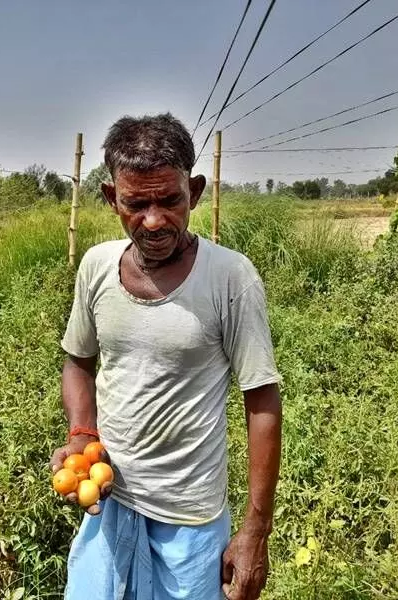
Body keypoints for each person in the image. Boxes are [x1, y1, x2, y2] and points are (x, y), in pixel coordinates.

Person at [50, 113, 282, 600]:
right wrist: (81, 434)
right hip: (109, 503)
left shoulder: (230, 278)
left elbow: (262, 402)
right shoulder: (96, 267)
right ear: (113, 198)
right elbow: (78, 361)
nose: (153, 221)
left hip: (190, 521)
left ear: (194, 192)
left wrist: (255, 533)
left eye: (170, 200)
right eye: (136, 203)